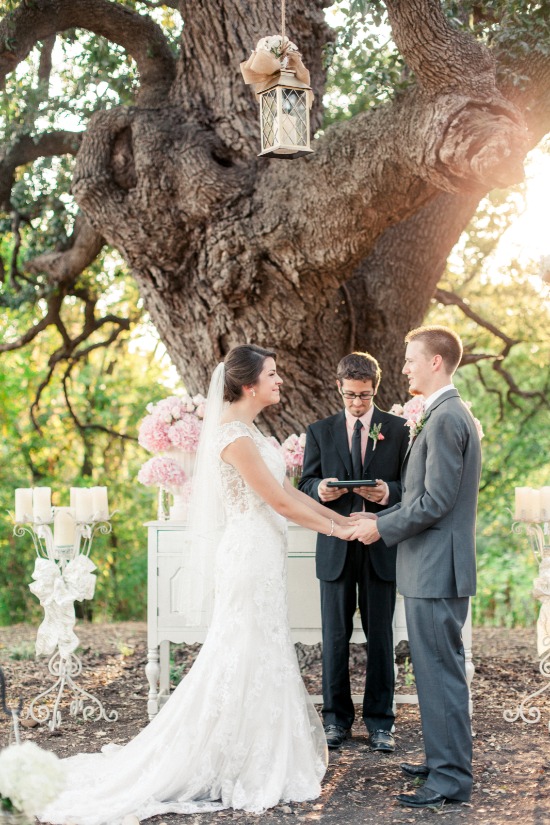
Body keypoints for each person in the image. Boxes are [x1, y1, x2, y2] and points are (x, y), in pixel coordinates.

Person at [40, 344, 355, 825]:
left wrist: (345, 518)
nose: (280, 380)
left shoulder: (250, 431)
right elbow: (280, 503)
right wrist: (343, 532)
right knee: (243, 649)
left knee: (262, 648)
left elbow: (292, 492)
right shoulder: (234, 438)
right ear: (249, 384)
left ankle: (252, 752)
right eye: (272, 374)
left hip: (262, 552)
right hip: (249, 552)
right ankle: (227, 759)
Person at [350, 326, 482, 808]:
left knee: (440, 672)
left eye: (410, 360)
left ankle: (450, 779)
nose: (403, 368)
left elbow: (438, 503)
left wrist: (380, 529)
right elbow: (424, 497)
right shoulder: (441, 414)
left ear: (436, 362)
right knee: (430, 671)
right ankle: (441, 760)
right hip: (430, 567)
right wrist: (382, 510)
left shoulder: (446, 419)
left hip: (437, 569)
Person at [299, 352, 409, 752]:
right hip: (335, 545)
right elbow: (305, 482)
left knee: (382, 636)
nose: (357, 404)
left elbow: (411, 487)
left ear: (375, 389)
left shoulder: (398, 429)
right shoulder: (320, 431)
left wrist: (386, 492)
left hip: (380, 544)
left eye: (364, 395)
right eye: (350, 395)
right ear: (338, 387)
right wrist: (321, 490)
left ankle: (381, 723)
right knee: (335, 637)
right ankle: (336, 721)